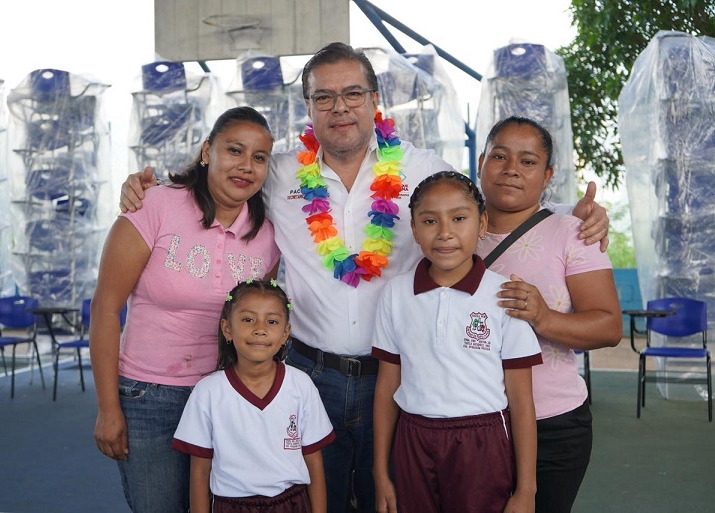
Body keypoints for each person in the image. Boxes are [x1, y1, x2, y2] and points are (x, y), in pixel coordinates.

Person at [118, 43, 610, 513]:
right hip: (311, 377)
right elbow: (223, 177)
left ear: (375, 99)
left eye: (353, 93)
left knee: (391, 499)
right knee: (314, 500)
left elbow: (483, 205)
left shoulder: (421, 167)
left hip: (400, 380)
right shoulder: (280, 174)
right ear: (308, 107)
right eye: (324, 96)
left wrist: (572, 215)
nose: (340, 107)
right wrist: (153, 186)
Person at [90, 106, 281, 513]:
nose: (246, 166)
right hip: (149, 396)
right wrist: (108, 408)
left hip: (226, 395)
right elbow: (105, 309)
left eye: (259, 157)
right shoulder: (154, 205)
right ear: (207, 151)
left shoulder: (267, 234)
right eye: (234, 150)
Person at [475, 116, 623, 513]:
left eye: (528, 162)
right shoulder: (451, 230)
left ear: (547, 175)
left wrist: (544, 317)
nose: (511, 169)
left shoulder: (574, 232)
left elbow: (609, 326)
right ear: (481, 163)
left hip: (550, 424)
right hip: (467, 421)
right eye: (499, 156)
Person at [371, 171, 542, 513]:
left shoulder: (504, 295)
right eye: (430, 221)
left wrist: (527, 489)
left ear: (482, 224)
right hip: (413, 438)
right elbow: (387, 386)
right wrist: (380, 472)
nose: (445, 232)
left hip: (482, 441)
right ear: (414, 229)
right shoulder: (396, 293)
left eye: (459, 218)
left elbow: (522, 401)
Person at [171, 279, 335, 513]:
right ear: (227, 329)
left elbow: (314, 463)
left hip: (291, 504)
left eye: (272, 321)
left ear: (285, 333)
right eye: (248, 320)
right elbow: (199, 472)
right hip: (232, 506)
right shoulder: (208, 392)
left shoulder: (301, 385)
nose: (260, 329)